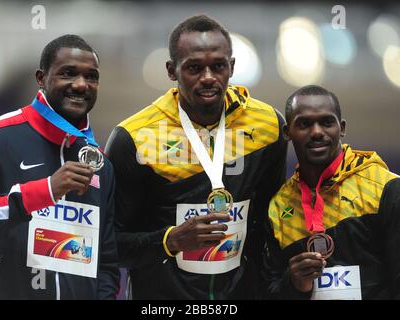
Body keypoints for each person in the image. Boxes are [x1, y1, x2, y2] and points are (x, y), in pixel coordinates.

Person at [105, 14, 287, 299]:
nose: (208, 78)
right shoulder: (134, 137)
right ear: (171, 70)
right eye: (194, 68)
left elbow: (270, 223)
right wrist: (169, 240)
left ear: (232, 67)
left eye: (218, 66)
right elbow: (110, 244)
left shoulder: (269, 125)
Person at [0, 34, 119, 299]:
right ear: (41, 78)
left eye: (91, 77)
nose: (81, 85)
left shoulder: (100, 163)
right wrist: (43, 192)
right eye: (68, 73)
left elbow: (107, 260)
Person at [263, 85, 398, 299]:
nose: (317, 132)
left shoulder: (384, 188)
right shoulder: (278, 207)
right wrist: (294, 283)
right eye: (304, 124)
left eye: (326, 122)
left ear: (341, 128)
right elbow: (270, 291)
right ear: (287, 132)